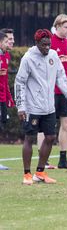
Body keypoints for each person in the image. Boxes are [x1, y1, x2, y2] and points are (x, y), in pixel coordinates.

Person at [16, 29, 67, 185]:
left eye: (49, 44)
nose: (47, 48)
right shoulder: (28, 58)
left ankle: (40, 172)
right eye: (44, 45)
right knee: (29, 138)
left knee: (50, 137)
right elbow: (19, 82)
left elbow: (61, 78)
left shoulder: (53, 56)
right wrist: (21, 106)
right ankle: (27, 174)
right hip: (32, 107)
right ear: (37, 43)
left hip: (49, 107)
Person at [36, 14, 67, 170]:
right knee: (45, 125)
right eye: (66, 27)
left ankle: (63, 159)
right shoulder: (49, 42)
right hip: (49, 91)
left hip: (64, 92)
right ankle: (43, 160)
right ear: (58, 26)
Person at [0, 30, 14, 171]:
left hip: (2, 98)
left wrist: (9, 98)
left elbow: (4, 81)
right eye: (7, 40)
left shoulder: (7, 56)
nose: (10, 42)